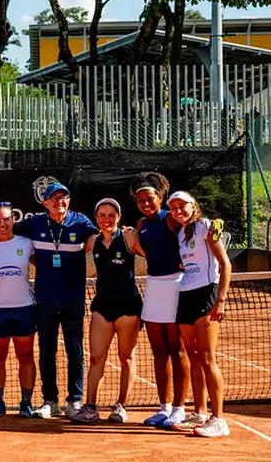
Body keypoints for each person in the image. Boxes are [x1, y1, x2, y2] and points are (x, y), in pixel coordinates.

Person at [12, 180, 98, 419]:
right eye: (54, 198)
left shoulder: (80, 222)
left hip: (73, 299)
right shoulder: (35, 222)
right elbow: (5, 228)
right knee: (46, 352)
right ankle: (50, 401)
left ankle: (75, 400)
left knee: (75, 352)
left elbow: (96, 241)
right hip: (45, 299)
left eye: (64, 198)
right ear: (45, 203)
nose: (60, 202)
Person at [123, 172, 190, 428]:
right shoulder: (142, 225)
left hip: (176, 285)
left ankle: (180, 409)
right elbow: (144, 250)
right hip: (153, 287)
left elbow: (193, 228)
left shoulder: (172, 219)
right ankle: (164, 408)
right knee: (158, 351)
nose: (145, 203)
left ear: (160, 197)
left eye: (149, 198)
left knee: (177, 349)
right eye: (140, 200)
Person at [168, 191, 232, 438]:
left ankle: (219, 419)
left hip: (207, 294)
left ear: (193, 206)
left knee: (207, 357)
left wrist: (221, 299)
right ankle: (201, 413)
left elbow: (225, 264)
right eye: (173, 207)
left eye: (182, 205)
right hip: (186, 295)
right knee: (193, 356)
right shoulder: (181, 234)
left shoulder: (207, 226)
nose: (178, 210)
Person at [72, 198, 141, 424]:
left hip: (128, 307)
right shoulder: (92, 240)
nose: (107, 219)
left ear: (119, 217)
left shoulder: (130, 237)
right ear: (96, 218)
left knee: (126, 357)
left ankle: (121, 405)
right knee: (95, 357)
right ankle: (90, 406)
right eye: (102, 215)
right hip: (102, 306)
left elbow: (154, 252)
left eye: (112, 215)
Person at [0, 202, 36, 419]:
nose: (2, 224)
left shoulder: (27, 243)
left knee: (26, 357)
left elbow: (45, 265)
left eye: (6, 219)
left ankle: (26, 403)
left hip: (24, 308)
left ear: (13, 220)